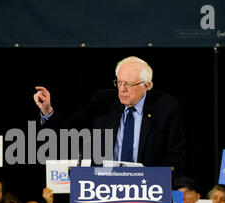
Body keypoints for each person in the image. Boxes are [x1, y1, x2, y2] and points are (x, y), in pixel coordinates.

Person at [33, 56, 186, 174]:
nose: (122, 89)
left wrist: (147, 176)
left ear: (146, 85)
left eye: (129, 84)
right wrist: (48, 111)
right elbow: (72, 129)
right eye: (119, 82)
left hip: (146, 188)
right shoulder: (104, 102)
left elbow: (176, 156)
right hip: (104, 187)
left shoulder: (166, 107)